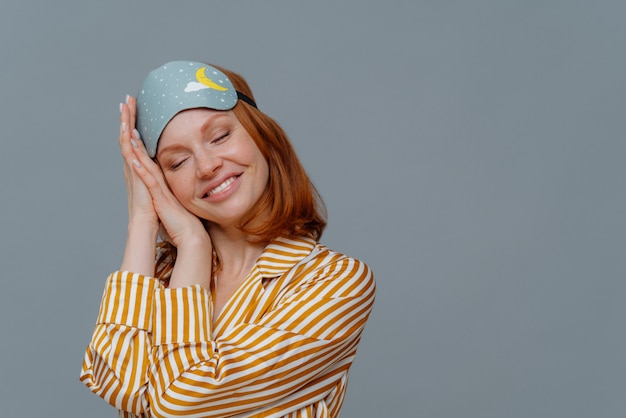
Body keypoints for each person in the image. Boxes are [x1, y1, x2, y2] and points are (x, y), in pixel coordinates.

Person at [80, 60, 375, 418]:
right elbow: (114, 381)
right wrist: (144, 220)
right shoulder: (158, 278)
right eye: (177, 162)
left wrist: (192, 240)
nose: (207, 166)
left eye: (220, 136)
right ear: (162, 182)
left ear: (260, 135)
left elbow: (180, 403)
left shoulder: (334, 282)